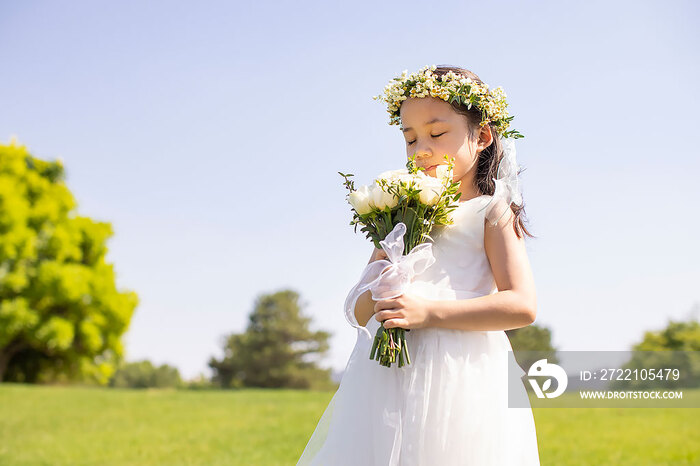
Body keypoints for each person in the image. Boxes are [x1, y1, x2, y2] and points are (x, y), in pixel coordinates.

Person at [297, 64, 541, 465]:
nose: (421, 149)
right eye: (409, 139)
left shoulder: (491, 211)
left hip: (461, 374)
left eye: (437, 133)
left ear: (481, 136)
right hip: (388, 380)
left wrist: (427, 312)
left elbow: (522, 305)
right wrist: (381, 282)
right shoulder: (402, 214)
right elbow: (359, 310)